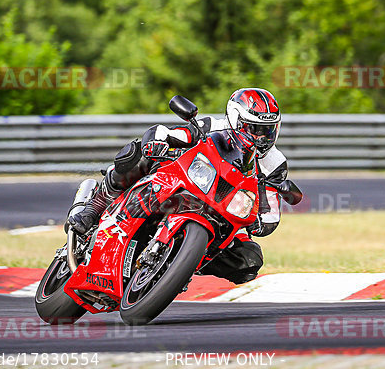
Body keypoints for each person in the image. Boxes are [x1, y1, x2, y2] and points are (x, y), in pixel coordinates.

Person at [67, 88, 290, 284]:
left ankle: (180, 264)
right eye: (254, 129)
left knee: (250, 259)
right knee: (137, 155)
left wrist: (258, 223)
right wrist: (159, 142)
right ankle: (94, 207)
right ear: (235, 119)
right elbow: (172, 134)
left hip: (223, 212)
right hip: (183, 181)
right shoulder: (212, 126)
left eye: (267, 130)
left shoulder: (275, 163)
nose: (261, 137)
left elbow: (271, 208)